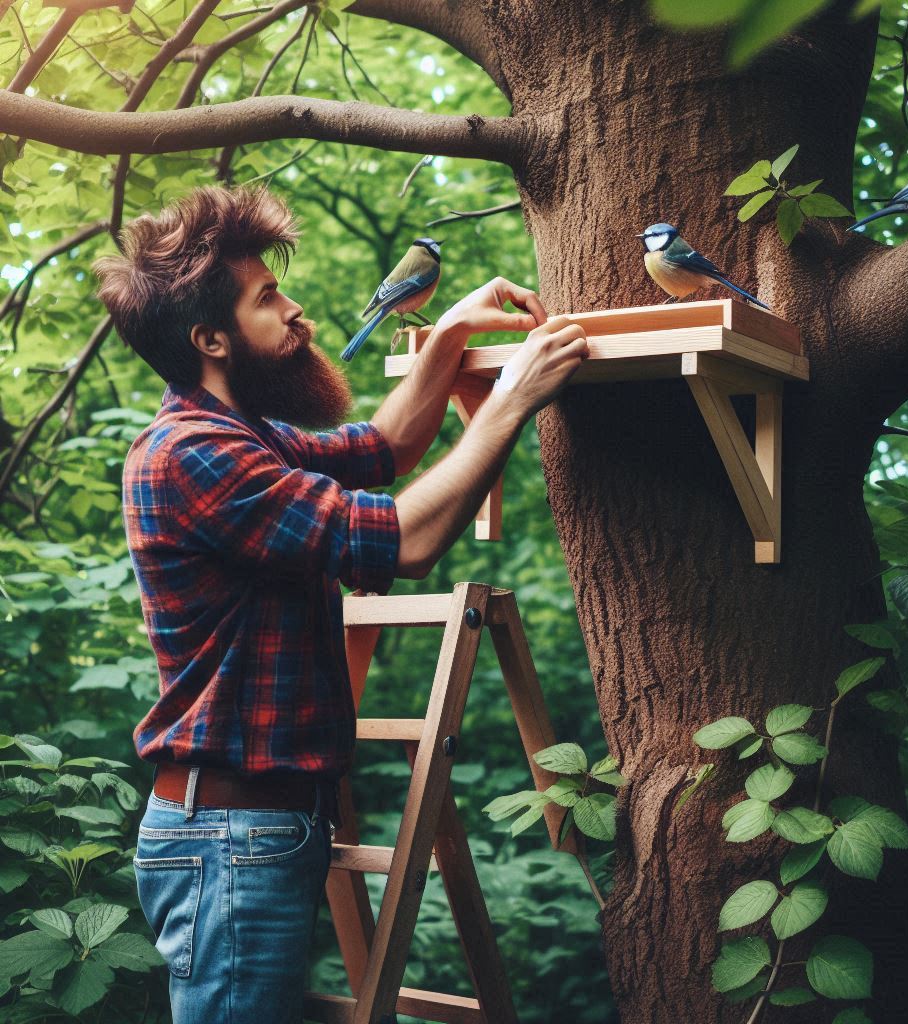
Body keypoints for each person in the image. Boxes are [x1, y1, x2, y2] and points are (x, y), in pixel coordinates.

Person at [91, 183, 588, 1023]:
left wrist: (450, 336)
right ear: (210, 338)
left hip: (252, 836)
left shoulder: (248, 439)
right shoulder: (193, 455)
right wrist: (511, 401)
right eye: (267, 298)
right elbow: (407, 537)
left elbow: (385, 446)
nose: (296, 311)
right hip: (229, 839)